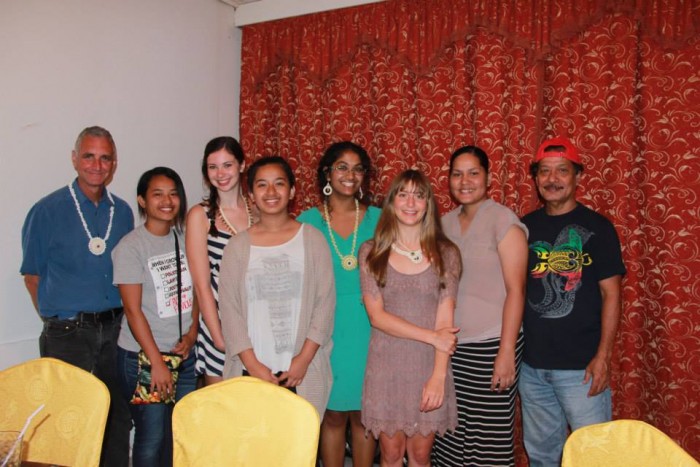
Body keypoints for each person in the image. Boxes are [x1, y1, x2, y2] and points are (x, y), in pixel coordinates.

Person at [20, 126, 133, 466]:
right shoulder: (47, 210)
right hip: (68, 335)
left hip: (116, 332)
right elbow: (33, 277)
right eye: (88, 156)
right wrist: (60, 322)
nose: (96, 165)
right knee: (68, 423)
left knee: (116, 419)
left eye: (104, 158)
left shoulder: (123, 212)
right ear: (74, 159)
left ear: (113, 164)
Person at [519, 136, 626, 467]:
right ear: (536, 178)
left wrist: (603, 357)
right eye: (545, 172)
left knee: (594, 456)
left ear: (578, 176)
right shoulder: (523, 227)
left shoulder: (599, 228)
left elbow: (612, 293)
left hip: (582, 369)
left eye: (562, 171)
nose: (553, 180)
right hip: (531, 368)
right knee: (541, 456)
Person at [432, 146, 528, 466]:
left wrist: (505, 352)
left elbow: (517, 291)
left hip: (491, 344)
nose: (465, 181)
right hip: (450, 347)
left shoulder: (504, 221)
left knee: (487, 437)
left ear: (488, 177)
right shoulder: (442, 224)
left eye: (473, 173)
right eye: (457, 174)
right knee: (449, 432)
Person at [218, 156, 335, 417]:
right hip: (252, 370)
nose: (271, 192)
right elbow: (230, 311)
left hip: (300, 373)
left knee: (297, 452)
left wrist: (303, 360)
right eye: (262, 185)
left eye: (279, 184)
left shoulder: (313, 239)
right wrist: (253, 365)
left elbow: (324, 305)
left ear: (292, 191)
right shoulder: (237, 247)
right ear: (251, 194)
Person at [359, 169, 461, 467]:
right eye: (402, 194)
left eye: (419, 195)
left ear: (428, 203)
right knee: (390, 456)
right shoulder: (371, 252)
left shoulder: (446, 253)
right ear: (391, 202)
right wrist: (432, 336)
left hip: (428, 366)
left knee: (419, 456)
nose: (410, 202)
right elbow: (377, 317)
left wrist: (438, 377)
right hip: (386, 369)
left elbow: (445, 320)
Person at [297, 141, 380, 467]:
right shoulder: (306, 221)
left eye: (358, 168)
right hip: (324, 328)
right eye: (342, 167)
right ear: (327, 173)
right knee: (330, 414)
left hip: (370, 326)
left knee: (364, 414)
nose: (350, 174)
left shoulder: (381, 218)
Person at [112, 167, 198, 467]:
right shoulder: (130, 247)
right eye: (157, 194)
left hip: (184, 357)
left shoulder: (187, 238)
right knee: (151, 438)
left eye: (173, 193)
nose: (167, 200)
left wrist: (191, 335)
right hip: (144, 359)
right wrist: (157, 363)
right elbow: (133, 311)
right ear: (142, 200)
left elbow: (197, 291)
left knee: (178, 434)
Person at [186, 136, 256, 386]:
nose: (220, 173)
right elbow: (202, 285)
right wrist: (218, 337)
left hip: (259, 323)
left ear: (242, 165)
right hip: (221, 322)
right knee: (223, 409)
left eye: (227, 164)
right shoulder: (200, 215)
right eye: (212, 167)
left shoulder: (258, 209)